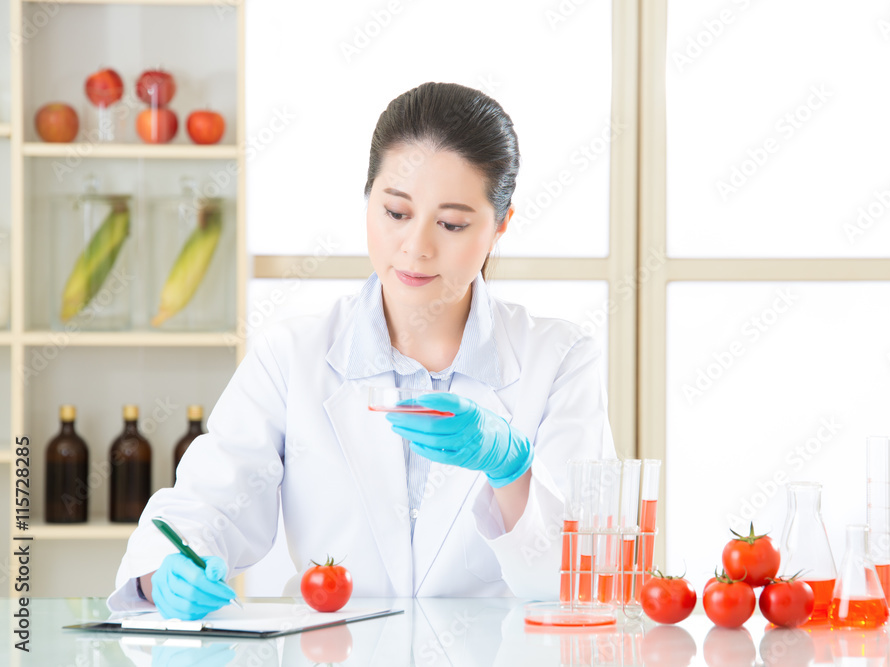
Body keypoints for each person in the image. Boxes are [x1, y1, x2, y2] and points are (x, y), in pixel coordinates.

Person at [108, 82, 615, 619]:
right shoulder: (292, 355)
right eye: (396, 212)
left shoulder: (559, 358)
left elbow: (579, 581)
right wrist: (162, 571)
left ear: (501, 224)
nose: (416, 246)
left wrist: (510, 471)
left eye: (452, 224)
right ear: (368, 197)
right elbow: (208, 503)